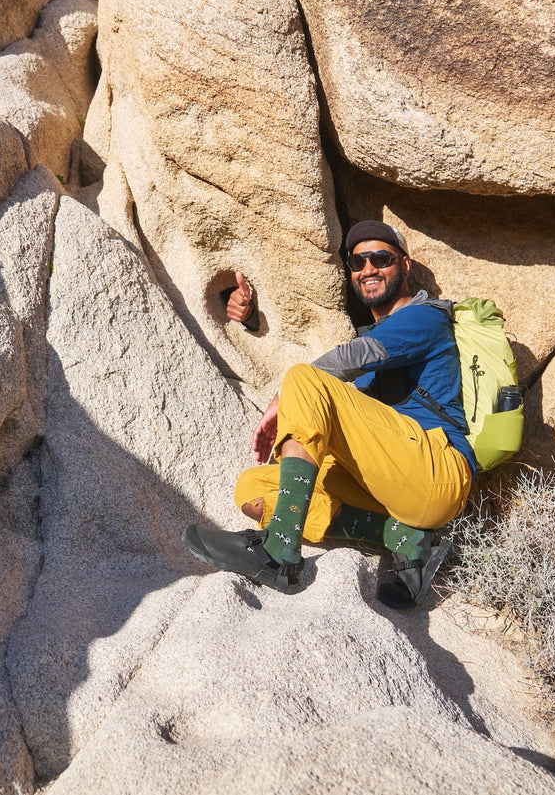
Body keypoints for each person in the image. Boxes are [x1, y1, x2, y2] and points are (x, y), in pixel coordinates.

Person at [182, 220, 476, 608]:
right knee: (254, 488)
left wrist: (283, 397)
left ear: (404, 266)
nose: (368, 269)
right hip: (392, 488)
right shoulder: (374, 334)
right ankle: (403, 538)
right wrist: (248, 316)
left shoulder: (426, 317)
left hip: (440, 472)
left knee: (305, 377)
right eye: (357, 262)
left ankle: (279, 553)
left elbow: (350, 358)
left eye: (380, 258)